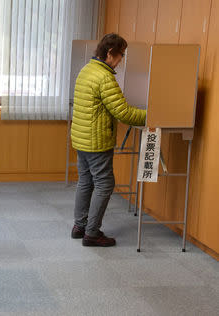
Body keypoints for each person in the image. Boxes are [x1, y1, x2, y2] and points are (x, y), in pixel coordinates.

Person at [70, 33, 146, 247]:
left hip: (82, 138)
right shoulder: (105, 77)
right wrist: (151, 114)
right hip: (96, 141)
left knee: (85, 180)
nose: (121, 60)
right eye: (121, 54)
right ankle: (92, 233)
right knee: (104, 183)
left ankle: (80, 226)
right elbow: (123, 113)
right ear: (110, 53)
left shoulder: (87, 70)